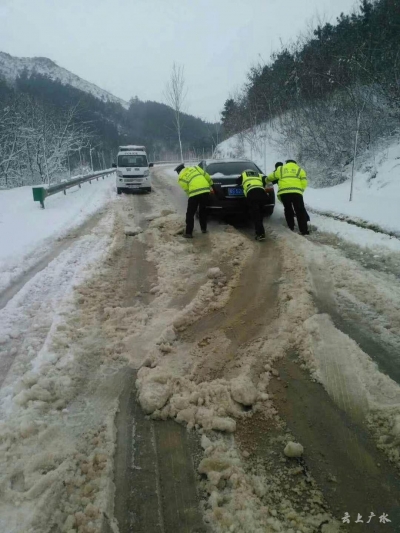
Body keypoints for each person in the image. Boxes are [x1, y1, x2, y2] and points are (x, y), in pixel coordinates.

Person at [266, 159, 309, 235]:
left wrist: (265, 180)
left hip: (284, 193)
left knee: (288, 209)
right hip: (296, 193)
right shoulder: (300, 170)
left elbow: (270, 177)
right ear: (295, 163)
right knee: (300, 211)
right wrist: (300, 190)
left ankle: (291, 227)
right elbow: (304, 182)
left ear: (286, 163)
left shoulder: (281, 169)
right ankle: (304, 230)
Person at [175, 163, 213, 238]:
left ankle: (188, 233)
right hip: (205, 190)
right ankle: (203, 229)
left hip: (194, 193)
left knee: (190, 213)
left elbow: (187, 190)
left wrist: (192, 198)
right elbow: (207, 176)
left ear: (178, 172)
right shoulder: (195, 168)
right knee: (203, 210)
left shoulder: (180, 178)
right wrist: (211, 185)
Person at [237, 169, 268, 241]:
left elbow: (238, 182)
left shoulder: (244, 174)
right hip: (263, 194)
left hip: (252, 193)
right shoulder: (259, 175)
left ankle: (260, 234)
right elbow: (266, 180)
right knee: (260, 214)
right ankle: (261, 231)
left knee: (256, 215)